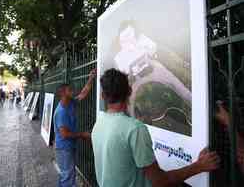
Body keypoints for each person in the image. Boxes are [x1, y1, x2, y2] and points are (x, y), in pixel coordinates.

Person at [92, 68, 220, 187]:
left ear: (103, 96)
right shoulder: (135, 129)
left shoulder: (99, 124)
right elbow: (159, 181)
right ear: (129, 91)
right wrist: (199, 166)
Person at [54, 69, 96, 187]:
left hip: (68, 146)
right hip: (63, 148)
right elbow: (64, 134)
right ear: (62, 93)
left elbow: (83, 93)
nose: (72, 90)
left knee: (66, 175)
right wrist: (82, 134)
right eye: (69, 90)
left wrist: (91, 78)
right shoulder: (61, 112)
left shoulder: (70, 102)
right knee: (67, 176)